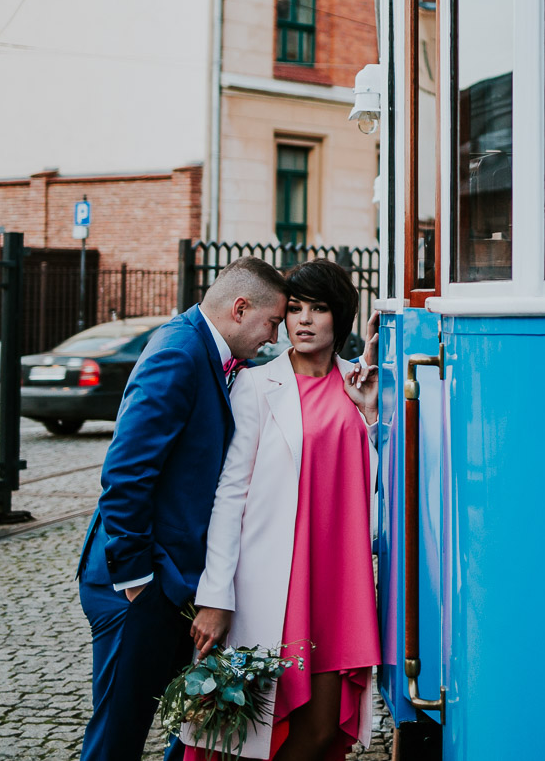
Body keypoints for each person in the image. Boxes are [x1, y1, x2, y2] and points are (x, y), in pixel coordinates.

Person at [77, 257, 290, 761]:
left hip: (175, 583)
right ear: (240, 309)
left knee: (194, 725)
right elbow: (126, 471)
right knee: (117, 735)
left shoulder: (210, 352)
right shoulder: (178, 352)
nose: (274, 336)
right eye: (273, 322)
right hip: (138, 586)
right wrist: (136, 581)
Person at [183, 259, 382, 760]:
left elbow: (381, 488)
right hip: (275, 583)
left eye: (319, 309)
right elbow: (229, 495)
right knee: (255, 735)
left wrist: (372, 415)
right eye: (294, 309)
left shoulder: (358, 385)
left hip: (339, 583)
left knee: (320, 733)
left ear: (342, 317)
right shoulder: (255, 385)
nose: (305, 320)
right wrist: (216, 596)